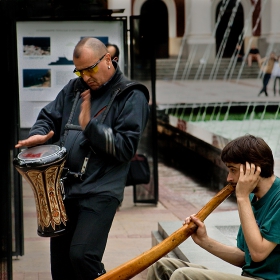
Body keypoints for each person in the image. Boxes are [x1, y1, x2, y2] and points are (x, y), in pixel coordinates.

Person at [15, 37, 150, 280]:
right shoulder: (74, 88)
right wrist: (38, 135)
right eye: (80, 71)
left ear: (108, 59)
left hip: (102, 190)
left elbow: (126, 147)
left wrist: (90, 126)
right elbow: (48, 116)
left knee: (83, 255)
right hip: (66, 188)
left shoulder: (132, 95)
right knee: (61, 265)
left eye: (91, 69)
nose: (86, 77)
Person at [147, 134, 280, 280]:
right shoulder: (251, 198)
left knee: (183, 276)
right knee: (161, 267)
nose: (228, 178)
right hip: (248, 277)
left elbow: (258, 254)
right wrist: (205, 241)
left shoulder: (273, 198)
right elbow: (245, 257)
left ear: (253, 169)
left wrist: (241, 198)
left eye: (233, 170)